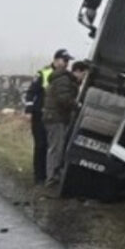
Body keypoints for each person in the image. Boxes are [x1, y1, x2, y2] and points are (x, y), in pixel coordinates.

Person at [24, 49, 72, 185]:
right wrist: (29, 110)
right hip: (39, 114)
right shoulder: (44, 73)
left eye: (68, 61)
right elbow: (31, 92)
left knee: (52, 146)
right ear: (56, 60)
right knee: (41, 145)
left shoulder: (65, 76)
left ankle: (48, 174)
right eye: (64, 60)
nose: (66, 64)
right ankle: (39, 176)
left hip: (53, 116)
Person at [43, 60, 88, 187]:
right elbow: (64, 99)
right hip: (56, 118)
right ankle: (51, 178)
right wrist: (77, 105)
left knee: (57, 147)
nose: (84, 78)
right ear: (78, 71)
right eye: (83, 74)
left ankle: (53, 175)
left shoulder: (66, 80)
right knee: (55, 148)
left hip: (55, 117)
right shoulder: (64, 81)